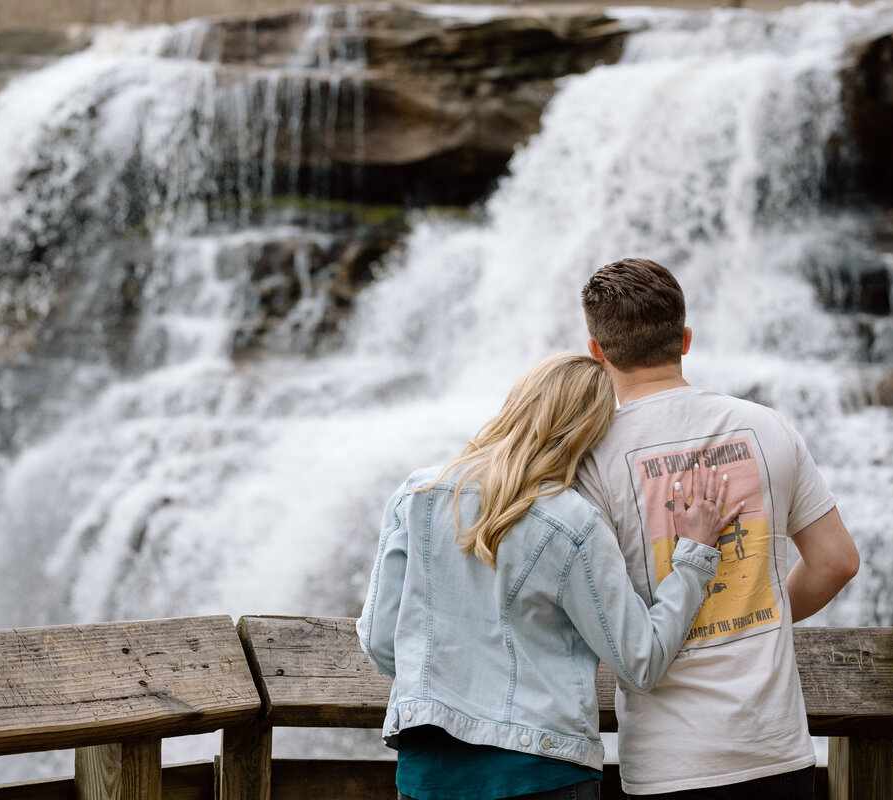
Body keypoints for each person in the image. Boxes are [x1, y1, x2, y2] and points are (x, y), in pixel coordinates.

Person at [357, 353, 741, 800]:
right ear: (591, 435)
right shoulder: (574, 523)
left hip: (432, 771)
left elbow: (382, 641)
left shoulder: (417, 495)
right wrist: (693, 558)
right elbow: (641, 662)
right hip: (543, 771)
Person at [576, 258, 861, 799]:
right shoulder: (766, 425)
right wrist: (761, 608)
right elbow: (837, 561)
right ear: (685, 339)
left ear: (598, 352)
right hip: (775, 748)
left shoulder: (593, 457)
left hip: (669, 762)